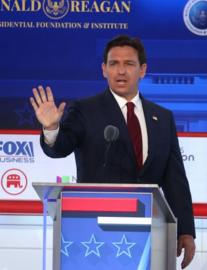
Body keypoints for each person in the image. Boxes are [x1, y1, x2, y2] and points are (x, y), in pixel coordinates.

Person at [29, 35, 196, 268]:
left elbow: (175, 178)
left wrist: (186, 230)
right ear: (103, 70)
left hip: (151, 234)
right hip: (95, 234)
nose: (120, 71)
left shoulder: (163, 118)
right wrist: (51, 128)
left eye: (129, 64)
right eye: (113, 64)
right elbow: (59, 148)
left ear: (142, 70)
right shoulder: (85, 110)